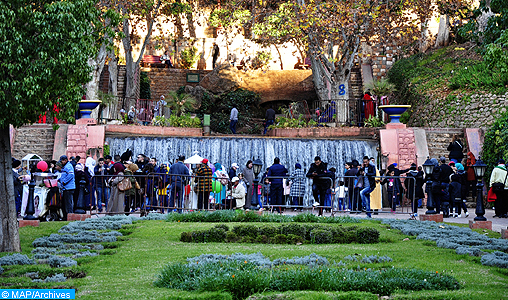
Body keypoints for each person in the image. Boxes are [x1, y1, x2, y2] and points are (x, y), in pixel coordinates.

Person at [58, 155, 75, 220]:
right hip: (65, 188)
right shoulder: (65, 166)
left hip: (69, 188)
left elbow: (71, 174)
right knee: (64, 204)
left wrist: (64, 181)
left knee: (68, 204)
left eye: (62, 161)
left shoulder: (68, 166)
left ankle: (69, 217)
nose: (61, 163)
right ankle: (65, 217)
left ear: (65, 160)